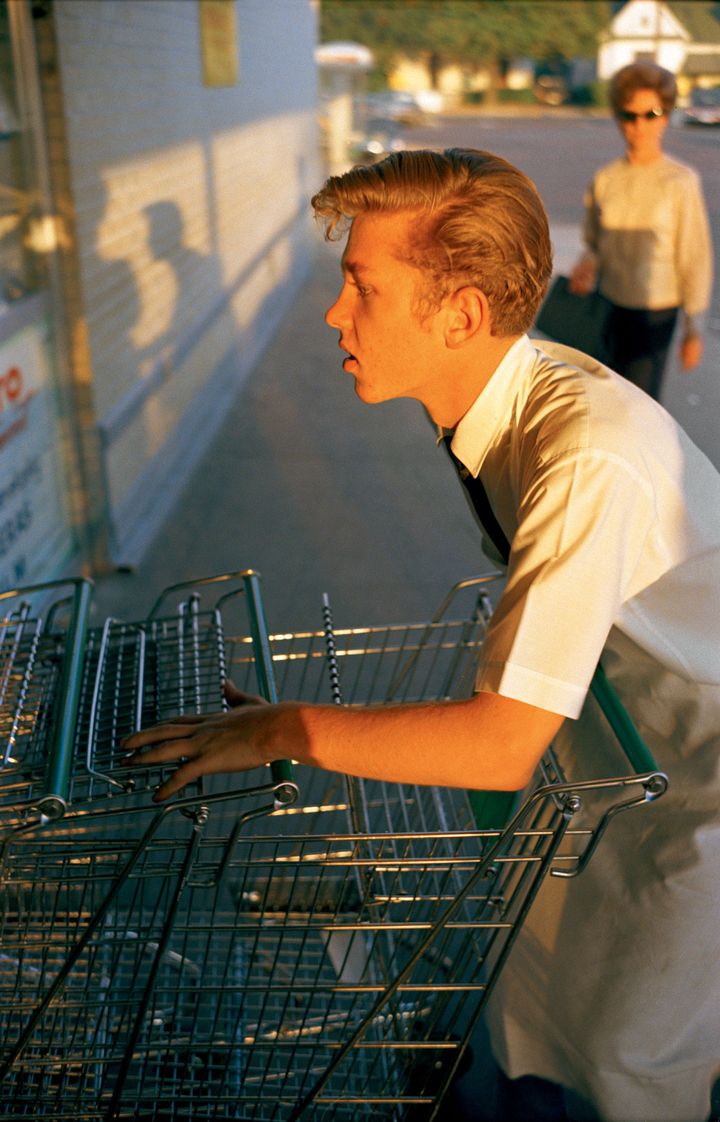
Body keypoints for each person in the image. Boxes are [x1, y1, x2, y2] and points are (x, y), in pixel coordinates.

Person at [123, 148, 720, 1122]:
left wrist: (282, 731)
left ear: (461, 316)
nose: (334, 312)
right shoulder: (502, 405)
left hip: (700, 780)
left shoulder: (587, 455)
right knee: (542, 1000)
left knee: (633, 1061)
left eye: (362, 285)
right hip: (623, 736)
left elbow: (497, 743)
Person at [569, 61, 713, 401]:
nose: (639, 125)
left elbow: (695, 255)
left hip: (656, 312)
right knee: (605, 400)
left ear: (666, 116)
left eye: (650, 114)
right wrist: (587, 263)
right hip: (608, 305)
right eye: (628, 116)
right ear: (618, 118)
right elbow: (593, 241)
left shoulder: (681, 181)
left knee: (641, 404)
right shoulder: (605, 178)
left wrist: (695, 328)